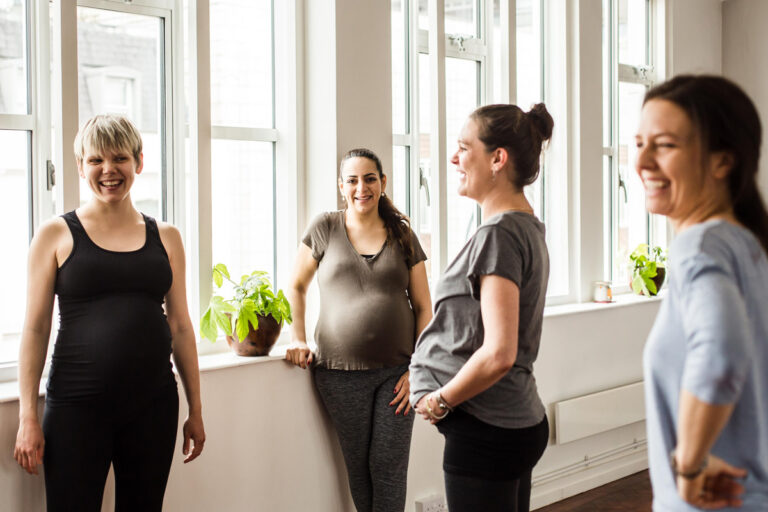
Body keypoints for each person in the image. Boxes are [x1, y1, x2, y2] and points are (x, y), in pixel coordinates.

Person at [13, 114, 205, 511]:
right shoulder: (55, 234)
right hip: (75, 407)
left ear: (138, 162)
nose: (108, 170)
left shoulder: (166, 237)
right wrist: (27, 415)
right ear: (81, 166)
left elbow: (182, 327)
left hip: (153, 405)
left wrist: (196, 410)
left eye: (119, 158)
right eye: (96, 159)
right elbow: (35, 329)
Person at [409, 103, 553, 512]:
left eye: (463, 147)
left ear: (497, 159)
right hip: (511, 421)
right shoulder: (524, 225)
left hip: (487, 431)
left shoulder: (501, 233)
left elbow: (499, 353)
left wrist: (440, 400)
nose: (454, 158)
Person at [638, 75, 768, 511]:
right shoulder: (749, 246)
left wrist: (689, 464)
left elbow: (721, 353)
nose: (641, 160)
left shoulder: (701, 245)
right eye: (640, 142)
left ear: (721, 162)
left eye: (665, 145)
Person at [285, 148, 432, 512]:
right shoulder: (324, 227)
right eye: (352, 180)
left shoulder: (403, 234)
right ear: (341, 187)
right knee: (360, 469)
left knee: (389, 467)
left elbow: (425, 306)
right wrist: (297, 337)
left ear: (383, 183)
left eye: (369, 178)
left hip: (398, 375)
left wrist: (420, 368)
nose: (361, 187)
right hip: (339, 376)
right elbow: (296, 286)